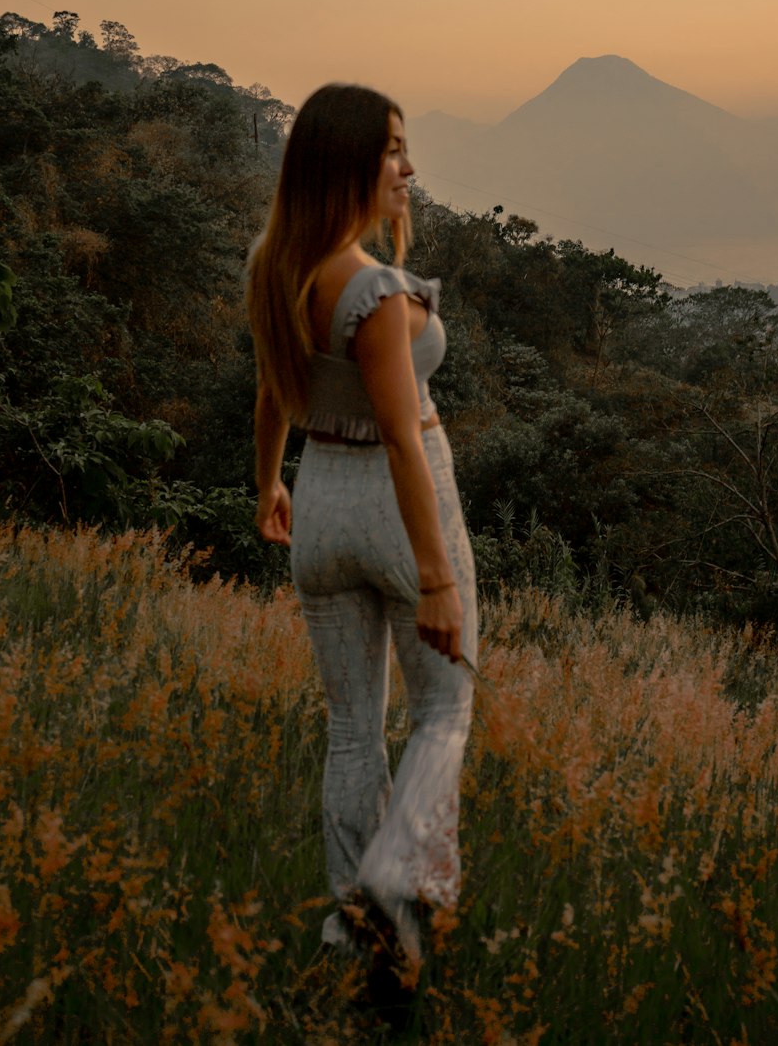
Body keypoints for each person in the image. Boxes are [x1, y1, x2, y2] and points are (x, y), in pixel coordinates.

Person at [247, 82, 478, 971]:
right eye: (390, 149)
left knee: (353, 729)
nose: (407, 167)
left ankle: (351, 937)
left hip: (321, 507)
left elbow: (273, 389)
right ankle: (392, 893)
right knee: (446, 707)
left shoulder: (277, 263)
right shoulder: (375, 291)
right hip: (395, 502)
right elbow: (401, 438)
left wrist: (268, 484)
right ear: (344, 162)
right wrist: (436, 577)